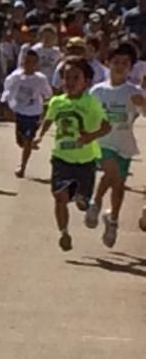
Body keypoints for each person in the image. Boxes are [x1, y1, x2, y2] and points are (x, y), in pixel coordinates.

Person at [37, 57, 111, 252]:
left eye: (75, 78)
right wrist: (39, 136)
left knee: (82, 202)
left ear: (86, 81)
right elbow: (48, 119)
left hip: (85, 160)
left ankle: (82, 198)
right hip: (61, 158)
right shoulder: (57, 102)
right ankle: (64, 233)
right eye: (66, 77)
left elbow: (106, 127)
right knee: (59, 196)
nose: (70, 82)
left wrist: (90, 137)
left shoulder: (91, 103)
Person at [86, 43, 145, 247]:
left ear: (131, 68)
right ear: (108, 63)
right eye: (116, 62)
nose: (120, 67)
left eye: (125, 63)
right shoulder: (98, 91)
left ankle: (112, 221)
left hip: (124, 143)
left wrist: (142, 103)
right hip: (103, 141)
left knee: (118, 185)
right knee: (110, 170)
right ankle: (95, 202)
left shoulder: (133, 91)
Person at [2, 49, 53, 178]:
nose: (29, 64)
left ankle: (23, 165)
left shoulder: (40, 79)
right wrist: (7, 105)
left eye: (32, 62)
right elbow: (8, 91)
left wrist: (46, 107)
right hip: (19, 112)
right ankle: (28, 145)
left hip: (34, 113)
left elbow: (48, 94)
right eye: (27, 61)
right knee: (20, 141)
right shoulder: (16, 77)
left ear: (37, 64)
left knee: (28, 138)